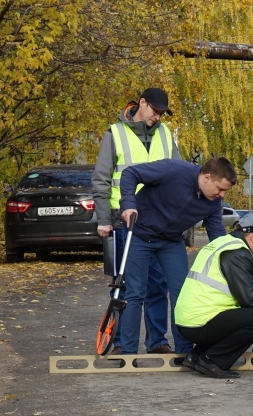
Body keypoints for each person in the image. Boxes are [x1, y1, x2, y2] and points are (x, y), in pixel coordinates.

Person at [91, 87, 179, 354]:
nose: (158, 117)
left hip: (158, 223)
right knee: (125, 284)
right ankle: (118, 342)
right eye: (155, 111)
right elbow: (102, 179)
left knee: (157, 284)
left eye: (163, 113)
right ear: (141, 103)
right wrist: (104, 219)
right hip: (123, 223)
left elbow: (178, 174)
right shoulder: (115, 133)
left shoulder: (165, 135)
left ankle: (157, 341)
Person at [117, 157, 234, 355]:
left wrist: (232, 261)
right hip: (139, 234)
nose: (221, 195)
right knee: (135, 293)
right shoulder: (174, 170)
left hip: (171, 241)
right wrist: (128, 203)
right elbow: (130, 173)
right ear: (206, 178)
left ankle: (184, 352)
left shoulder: (213, 203)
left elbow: (216, 237)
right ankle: (128, 353)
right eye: (219, 189)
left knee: (182, 294)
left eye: (225, 192)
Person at [174, 214, 253, 378]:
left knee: (246, 315)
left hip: (189, 318)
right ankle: (212, 361)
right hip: (200, 321)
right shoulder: (237, 252)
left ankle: (196, 356)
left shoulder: (222, 243)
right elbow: (250, 298)